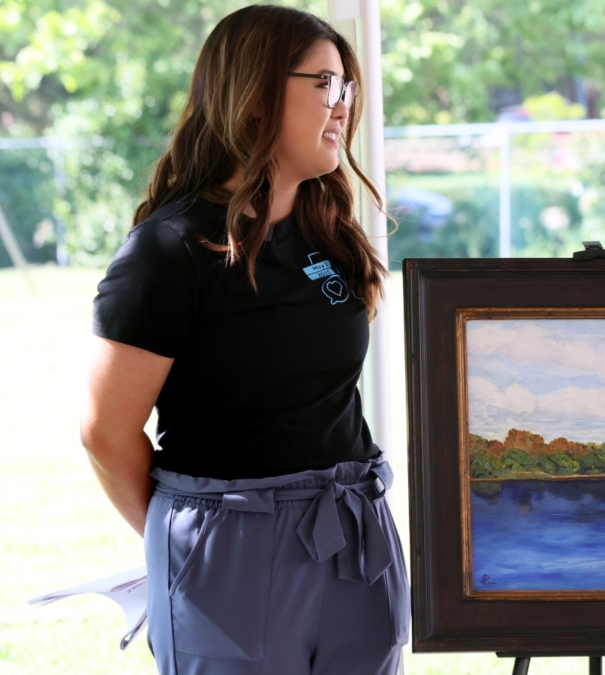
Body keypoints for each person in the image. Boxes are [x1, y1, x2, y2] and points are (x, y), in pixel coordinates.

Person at [79, 6, 407, 674]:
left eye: (346, 86)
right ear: (254, 97)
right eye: (324, 83)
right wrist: (187, 543)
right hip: (229, 544)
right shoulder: (168, 252)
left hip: (353, 532)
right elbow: (105, 432)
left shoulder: (328, 235)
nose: (342, 104)